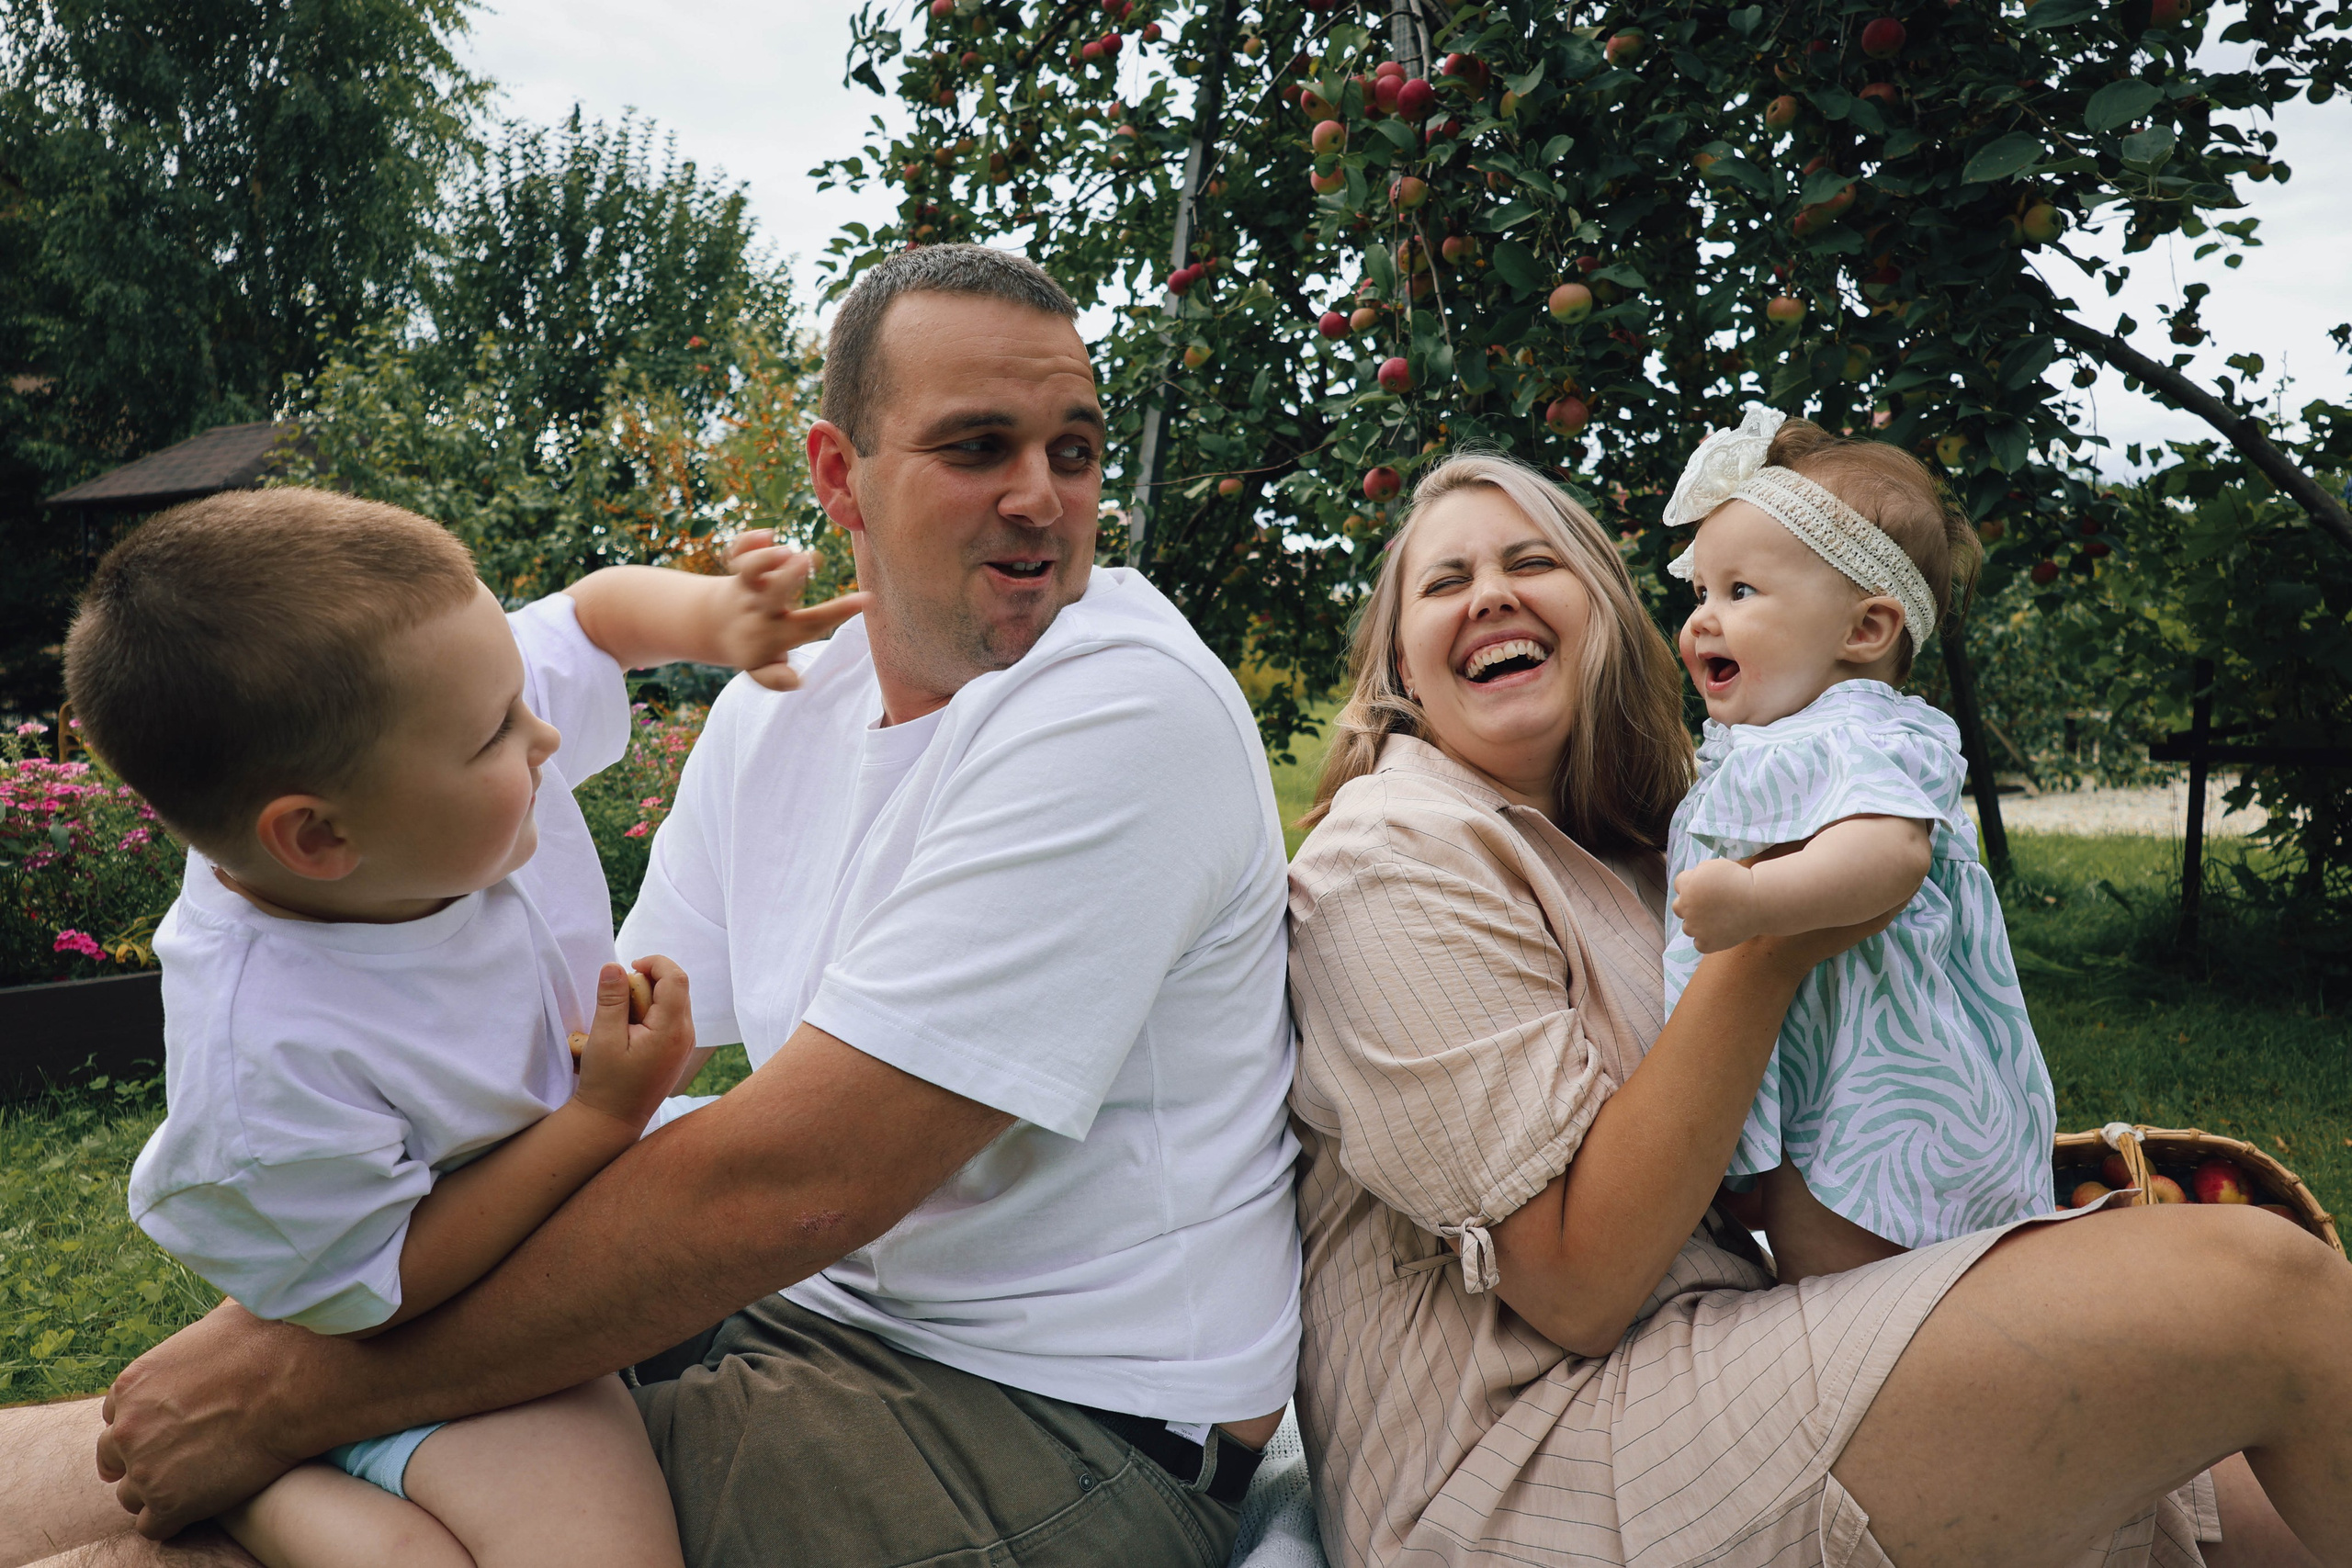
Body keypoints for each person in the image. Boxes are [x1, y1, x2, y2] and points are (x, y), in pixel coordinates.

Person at [0, 243, 1299, 1568]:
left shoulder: (1121, 707)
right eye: (979, 446)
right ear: (839, 472)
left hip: (1053, 1426)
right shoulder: (790, 707)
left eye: (1073, 450)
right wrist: (293, 1326)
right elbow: (593, 1044)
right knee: (176, 1432)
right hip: (810, 1318)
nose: (1043, 495)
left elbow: (796, 1181)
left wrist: (295, 1383)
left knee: (239, 1519)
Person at [1283, 449, 2346, 1567]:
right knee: (2260, 1295)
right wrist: (1771, 943)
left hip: (1725, 1349)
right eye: (1443, 583)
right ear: (1398, 662)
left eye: (1531, 561)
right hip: (1523, 1461)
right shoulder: (1394, 853)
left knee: (2229, 1472)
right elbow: (1574, 1286)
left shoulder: (1653, 849)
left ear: (1603, 615)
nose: (1489, 593)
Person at [53, 489, 861, 1568]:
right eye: (497, 734)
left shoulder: (429, 706)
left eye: (520, 700)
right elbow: (380, 1291)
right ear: (319, 836)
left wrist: (717, 619)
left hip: (562, 1224)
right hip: (424, 1333)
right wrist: (598, 1117)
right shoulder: (271, 1046)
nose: (546, 735)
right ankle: (263, 1485)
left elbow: (593, 619)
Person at [1658, 408, 2055, 1282]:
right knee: (1815, 1244)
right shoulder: (1781, 734)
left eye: (1740, 593)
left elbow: (1890, 858)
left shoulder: (1862, 729)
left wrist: (1755, 901)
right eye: (1700, 594)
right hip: (1834, 1062)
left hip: (1888, 1091)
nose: (1701, 621)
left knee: (1840, 1272)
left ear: (1863, 631)